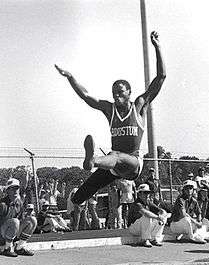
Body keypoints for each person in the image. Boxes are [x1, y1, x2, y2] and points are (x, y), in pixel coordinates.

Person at [55, 30, 166, 206]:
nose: (116, 95)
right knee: (85, 191)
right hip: (114, 163)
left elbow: (161, 77)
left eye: (120, 92)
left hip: (133, 163)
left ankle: (93, 161)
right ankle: (77, 197)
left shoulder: (139, 105)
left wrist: (157, 47)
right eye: (114, 93)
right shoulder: (109, 109)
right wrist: (70, 78)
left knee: (114, 156)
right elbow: (86, 96)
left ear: (129, 92)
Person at [0, 178, 37, 257]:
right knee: (15, 221)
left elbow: (21, 220)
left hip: (11, 232)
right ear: (7, 191)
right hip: (1, 234)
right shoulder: (2, 204)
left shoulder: (19, 203)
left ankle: (20, 247)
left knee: (32, 220)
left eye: (17, 188)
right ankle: (7, 248)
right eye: (12, 189)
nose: (15, 191)